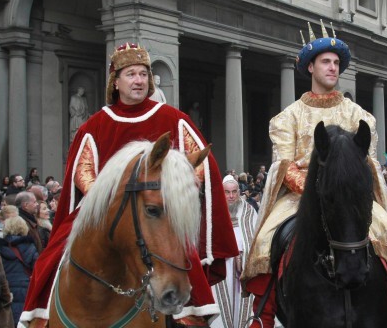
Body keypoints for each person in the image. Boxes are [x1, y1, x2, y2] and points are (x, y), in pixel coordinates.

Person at [21, 43, 238, 327]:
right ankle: (37, 315)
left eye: (143, 74)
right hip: (102, 211)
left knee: (182, 264)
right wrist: (108, 196)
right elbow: (82, 170)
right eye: (131, 74)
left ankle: (189, 315)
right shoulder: (95, 125)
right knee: (48, 261)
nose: (138, 80)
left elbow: (199, 164)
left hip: (156, 209)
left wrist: (172, 188)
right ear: (116, 81)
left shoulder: (173, 118)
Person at [242, 21, 387, 328]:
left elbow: (368, 163)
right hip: (300, 196)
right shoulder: (286, 117)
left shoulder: (360, 116)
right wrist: (318, 189)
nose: (333, 68)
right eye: (326, 62)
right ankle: (262, 315)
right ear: (310, 68)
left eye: (336, 63)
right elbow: (284, 164)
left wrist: (344, 189)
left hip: (352, 198)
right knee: (267, 239)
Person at [211, 176, 258, 328]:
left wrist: (243, 256)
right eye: (226, 192)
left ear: (239, 192)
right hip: (221, 268)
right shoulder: (213, 213)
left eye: (234, 192)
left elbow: (256, 240)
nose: (231, 196)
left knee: (241, 304)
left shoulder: (249, 211)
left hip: (243, 270)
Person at [0, 217, 39, 325]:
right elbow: (37, 268)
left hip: (7, 289)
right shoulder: (30, 246)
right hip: (26, 287)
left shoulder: (1, 247)